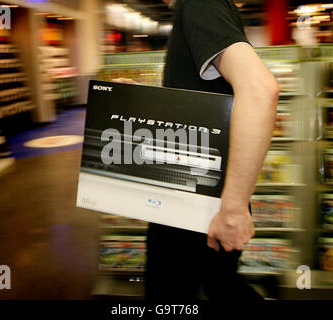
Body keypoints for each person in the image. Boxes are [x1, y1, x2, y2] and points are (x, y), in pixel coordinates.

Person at [116, 0, 279, 300]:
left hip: (195, 208)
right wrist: (142, 98)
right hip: (197, 199)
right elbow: (206, 102)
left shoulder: (199, 2)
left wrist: (233, 209)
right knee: (219, 285)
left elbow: (260, 89)